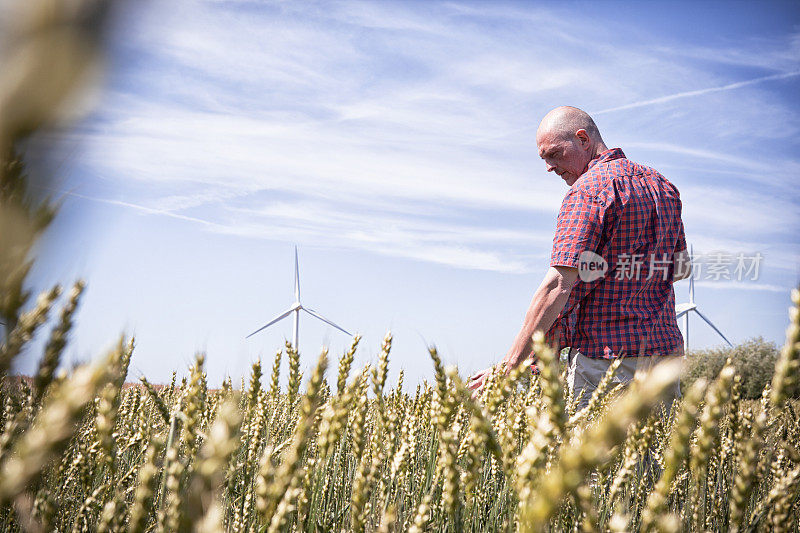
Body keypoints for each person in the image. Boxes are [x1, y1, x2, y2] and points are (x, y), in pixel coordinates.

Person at [467, 106, 691, 410]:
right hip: (664, 360)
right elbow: (680, 268)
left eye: (554, 154)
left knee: (600, 458)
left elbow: (557, 285)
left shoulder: (589, 190)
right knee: (656, 457)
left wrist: (508, 366)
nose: (549, 166)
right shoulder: (664, 187)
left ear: (583, 138)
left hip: (605, 363)